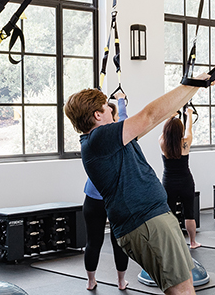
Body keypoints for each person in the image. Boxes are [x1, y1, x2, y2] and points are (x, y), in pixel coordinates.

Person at [64, 74, 212, 295]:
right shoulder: (98, 140)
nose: (112, 111)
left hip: (155, 216)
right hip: (146, 222)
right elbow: (149, 116)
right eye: (107, 107)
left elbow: (153, 119)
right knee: (181, 291)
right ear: (97, 115)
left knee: (184, 284)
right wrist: (192, 83)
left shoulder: (111, 140)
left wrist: (197, 87)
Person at [81, 94, 131, 290]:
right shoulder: (118, 137)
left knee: (93, 241)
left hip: (93, 198)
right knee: (118, 241)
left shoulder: (91, 138)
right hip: (113, 199)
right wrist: (120, 99)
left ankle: (91, 281)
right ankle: (121, 281)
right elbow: (126, 121)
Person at [160, 106, 200, 249]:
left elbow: (165, 129)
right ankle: (193, 242)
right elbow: (189, 129)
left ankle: (172, 243)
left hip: (168, 182)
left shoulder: (162, 142)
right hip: (185, 182)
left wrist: (171, 116)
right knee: (189, 213)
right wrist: (188, 114)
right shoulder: (185, 142)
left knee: (169, 214)